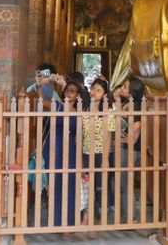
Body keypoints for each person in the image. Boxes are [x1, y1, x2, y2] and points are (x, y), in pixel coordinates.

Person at [42, 81, 80, 228]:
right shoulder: (57, 106)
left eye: (73, 91)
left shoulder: (79, 111)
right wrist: (42, 85)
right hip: (53, 147)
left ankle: (68, 224)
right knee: (55, 185)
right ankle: (56, 222)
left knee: (69, 185)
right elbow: (42, 101)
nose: (69, 93)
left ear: (77, 95)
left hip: (70, 149)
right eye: (67, 90)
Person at [110, 76, 145, 221]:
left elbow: (137, 125)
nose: (121, 89)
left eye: (125, 87)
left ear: (132, 91)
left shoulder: (134, 106)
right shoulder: (130, 104)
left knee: (126, 184)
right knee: (124, 182)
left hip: (129, 150)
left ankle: (132, 218)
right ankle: (128, 214)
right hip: (127, 149)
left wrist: (131, 139)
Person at [81, 78, 113, 223]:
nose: (94, 93)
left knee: (101, 187)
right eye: (93, 89)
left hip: (101, 155)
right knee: (88, 186)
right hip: (86, 153)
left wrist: (105, 160)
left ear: (104, 95)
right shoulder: (85, 110)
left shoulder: (108, 112)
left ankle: (102, 217)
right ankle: (87, 216)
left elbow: (108, 136)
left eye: (98, 90)